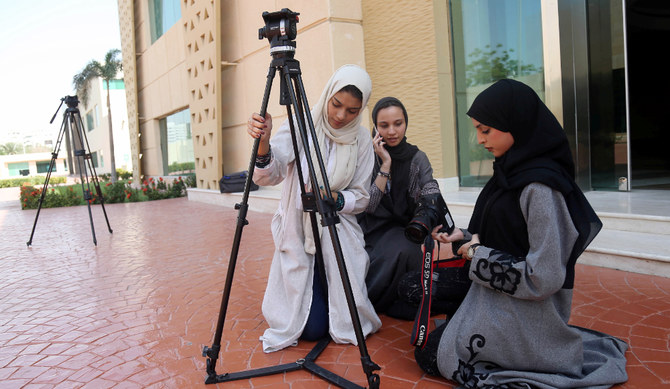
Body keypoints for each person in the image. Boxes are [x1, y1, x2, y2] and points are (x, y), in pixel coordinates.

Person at [414, 79, 628, 388]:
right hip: (491, 289)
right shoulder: (508, 172)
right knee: (412, 288)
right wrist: (461, 236)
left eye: (486, 130)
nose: (479, 140)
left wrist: (475, 254)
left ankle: (534, 346)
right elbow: (502, 234)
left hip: (526, 308)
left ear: (516, 123)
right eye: (477, 130)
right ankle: (464, 317)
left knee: (433, 354)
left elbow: (545, 276)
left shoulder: (539, 188)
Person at [246, 64, 381, 353]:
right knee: (311, 329)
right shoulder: (302, 124)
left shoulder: (361, 140)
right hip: (299, 232)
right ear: (329, 95)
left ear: (361, 110)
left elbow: (363, 197)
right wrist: (264, 142)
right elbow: (269, 174)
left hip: (338, 233)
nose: (341, 116)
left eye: (352, 110)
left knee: (345, 322)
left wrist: (335, 197)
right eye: (336, 104)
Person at [358, 96, 470, 320]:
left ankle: (400, 298)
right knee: (402, 247)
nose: (392, 131)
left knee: (410, 245)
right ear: (375, 126)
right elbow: (368, 205)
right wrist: (386, 164)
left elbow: (430, 192)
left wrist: (441, 224)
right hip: (371, 229)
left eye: (398, 123)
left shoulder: (417, 159)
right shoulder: (366, 156)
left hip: (406, 229)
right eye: (384, 125)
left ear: (405, 123)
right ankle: (373, 299)